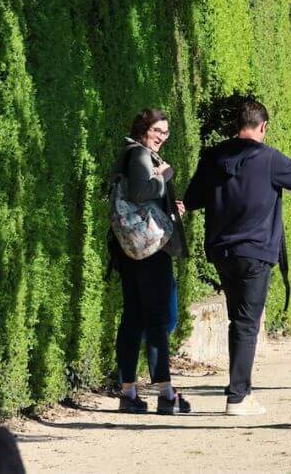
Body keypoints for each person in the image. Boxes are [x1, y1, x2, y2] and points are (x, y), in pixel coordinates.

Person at [184, 100, 291, 416]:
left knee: (237, 319)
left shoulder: (214, 157)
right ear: (263, 127)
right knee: (246, 323)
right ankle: (239, 396)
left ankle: (240, 392)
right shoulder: (268, 159)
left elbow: (193, 199)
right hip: (255, 253)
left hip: (221, 252)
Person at [108, 108, 191, 415]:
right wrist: (165, 177)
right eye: (157, 131)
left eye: (165, 133)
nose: (161, 137)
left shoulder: (132, 155)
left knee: (133, 317)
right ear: (143, 129)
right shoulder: (140, 156)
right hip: (149, 250)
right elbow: (141, 190)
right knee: (158, 319)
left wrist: (171, 206)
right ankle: (165, 392)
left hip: (129, 249)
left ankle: (128, 392)